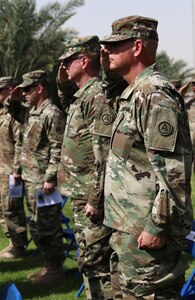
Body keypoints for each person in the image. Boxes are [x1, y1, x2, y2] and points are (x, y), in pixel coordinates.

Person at [100, 15, 193, 299]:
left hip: (148, 236)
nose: (107, 51)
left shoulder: (155, 95)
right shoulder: (133, 92)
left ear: (137, 47)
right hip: (127, 228)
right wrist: (106, 68)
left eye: (116, 46)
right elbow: (106, 93)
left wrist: (157, 227)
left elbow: (174, 173)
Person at [57, 35, 116, 300]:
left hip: (91, 198)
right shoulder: (81, 96)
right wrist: (61, 82)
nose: (64, 66)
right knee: (88, 259)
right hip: (80, 194)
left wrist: (95, 197)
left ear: (83, 61)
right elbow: (64, 101)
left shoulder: (97, 96)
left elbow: (104, 153)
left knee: (98, 262)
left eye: (68, 61)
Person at [12, 70, 65, 283]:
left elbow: (58, 148)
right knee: (35, 225)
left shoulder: (51, 113)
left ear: (40, 88)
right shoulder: (31, 111)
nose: (23, 94)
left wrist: (51, 177)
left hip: (43, 182)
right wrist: (14, 97)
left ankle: (55, 270)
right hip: (29, 177)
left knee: (48, 227)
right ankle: (47, 266)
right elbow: (13, 110)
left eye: (27, 89)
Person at [0, 76, 28, 259]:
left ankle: (18, 245)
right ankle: (11, 241)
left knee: (12, 208)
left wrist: (16, 169)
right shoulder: (3, 113)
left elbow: (20, 143)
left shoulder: (17, 114)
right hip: (1, 168)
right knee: (2, 209)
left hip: (12, 171)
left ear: (10, 90)